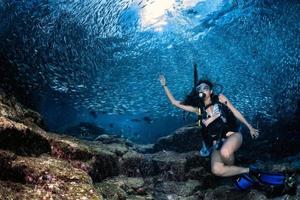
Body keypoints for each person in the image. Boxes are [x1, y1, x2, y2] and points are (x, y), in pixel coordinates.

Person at [159, 74, 259, 177]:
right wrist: (164, 85)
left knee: (225, 152)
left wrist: (249, 127)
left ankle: (233, 167)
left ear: (210, 91)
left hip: (233, 136)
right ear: (198, 93)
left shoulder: (220, 99)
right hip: (216, 145)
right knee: (216, 170)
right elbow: (174, 102)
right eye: (199, 89)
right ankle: (249, 171)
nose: (202, 90)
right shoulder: (198, 110)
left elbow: (235, 112)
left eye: (205, 88)